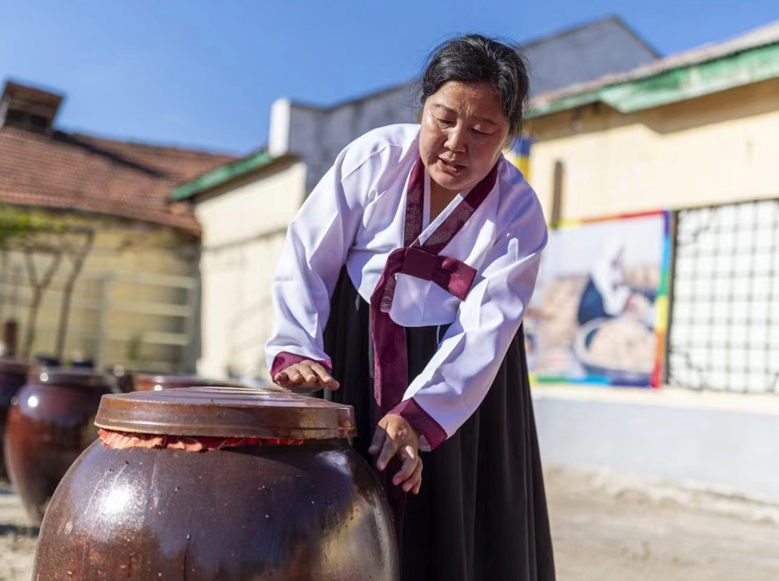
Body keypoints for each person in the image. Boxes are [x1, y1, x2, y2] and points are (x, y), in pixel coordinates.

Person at [266, 34, 555, 581]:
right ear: (422, 106)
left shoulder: (518, 212)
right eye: (443, 119)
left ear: (510, 134)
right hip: (353, 351)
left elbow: (487, 327)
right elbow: (307, 256)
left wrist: (417, 417)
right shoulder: (374, 160)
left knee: (450, 529)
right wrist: (297, 346)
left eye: (482, 130)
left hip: (458, 383)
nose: (455, 143)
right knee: (337, 519)